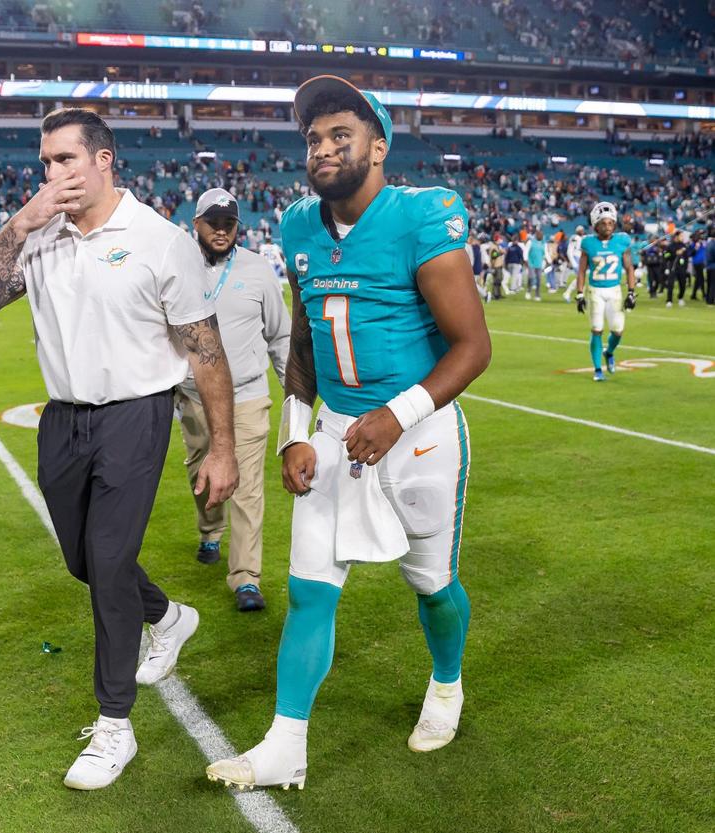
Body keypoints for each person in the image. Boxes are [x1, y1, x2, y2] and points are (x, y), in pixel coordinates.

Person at [206, 75, 491, 790]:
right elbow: (303, 341)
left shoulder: (424, 215)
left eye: (342, 135)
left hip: (417, 434)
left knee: (431, 583)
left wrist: (398, 415)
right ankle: (284, 743)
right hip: (334, 430)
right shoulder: (300, 224)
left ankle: (447, 683)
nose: (324, 148)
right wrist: (295, 432)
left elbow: (472, 346)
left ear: (379, 146)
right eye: (314, 138)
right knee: (308, 589)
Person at [0, 108, 238, 791]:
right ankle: (169, 616)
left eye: (66, 160)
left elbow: (207, 352)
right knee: (84, 560)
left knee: (109, 563)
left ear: (105, 160)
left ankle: (116, 723)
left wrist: (221, 448)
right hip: (63, 419)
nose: (53, 173)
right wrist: (21, 222)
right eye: (46, 162)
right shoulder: (41, 235)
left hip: (136, 414)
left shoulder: (158, 239)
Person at [177, 188, 289, 612]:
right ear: (197, 224)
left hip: (247, 394)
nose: (221, 231)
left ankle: (246, 577)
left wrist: (293, 395)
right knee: (200, 474)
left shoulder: (259, 270)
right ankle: (209, 530)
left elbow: (279, 335)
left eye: (229, 224)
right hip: (193, 397)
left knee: (246, 486)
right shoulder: (177, 267)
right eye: (213, 222)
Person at [574, 201, 637, 382]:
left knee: (618, 331)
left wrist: (631, 292)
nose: (607, 226)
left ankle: (608, 352)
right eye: (603, 223)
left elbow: (629, 268)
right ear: (596, 225)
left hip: (615, 291)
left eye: (610, 223)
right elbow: (581, 271)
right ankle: (597, 369)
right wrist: (579, 294)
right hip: (595, 291)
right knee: (597, 329)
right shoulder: (588, 243)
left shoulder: (622, 241)